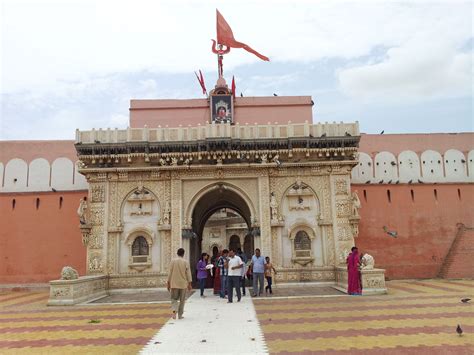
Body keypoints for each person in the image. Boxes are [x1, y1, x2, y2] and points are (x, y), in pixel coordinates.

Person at [167, 248, 192, 319]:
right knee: (182, 300)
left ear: (177, 253)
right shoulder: (185, 262)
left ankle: (174, 312)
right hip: (183, 284)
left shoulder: (173, 261)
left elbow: (170, 273)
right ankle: (180, 315)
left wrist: (168, 282)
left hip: (174, 283)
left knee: (174, 299)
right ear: (183, 254)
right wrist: (189, 284)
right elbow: (188, 273)